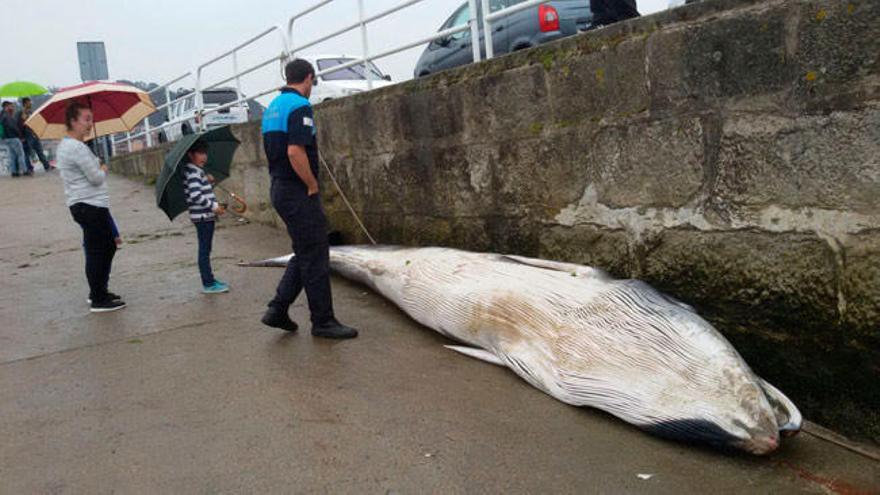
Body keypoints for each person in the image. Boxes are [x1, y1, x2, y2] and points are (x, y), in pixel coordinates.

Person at [259, 58, 358, 339]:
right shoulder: (299, 105)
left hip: (279, 187)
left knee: (306, 251)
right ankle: (323, 321)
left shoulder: (272, 108)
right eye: (313, 83)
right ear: (309, 77)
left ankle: (277, 309)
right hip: (297, 190)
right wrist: (311, 184)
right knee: (316, 255)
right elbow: (294, 151)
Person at [57, 101, 125, 313]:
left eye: (91, 119)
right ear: (73, 121)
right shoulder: (75, 148)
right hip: (89, 205)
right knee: (99, 250)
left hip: (86, 205)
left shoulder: (68, 146)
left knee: (104, 247)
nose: (90, 124)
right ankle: (98, 297)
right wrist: (102, 167)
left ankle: (99, 290)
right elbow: (96, 178)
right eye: (86, 119)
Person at [182, 140, 230, 294]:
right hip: (203, 217)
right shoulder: (194, 172)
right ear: (191, 155)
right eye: (200, 153)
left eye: (205, 153)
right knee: (204, 250)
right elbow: (196, 195)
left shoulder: (196, 171)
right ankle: (208, 283)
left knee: (206, 249)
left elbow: (201, 190)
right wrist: (214, 206)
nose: (204, 157)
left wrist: (208, 181)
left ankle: (209, 279)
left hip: (204, 216)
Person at [18, 97, 53, 171]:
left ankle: (47, 166)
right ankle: (29, 168)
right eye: (29, 102)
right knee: (27, 153)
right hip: (27, 135)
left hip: (34, 134)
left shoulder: (31, 112)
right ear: (25, 104)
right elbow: (22, 123)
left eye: (30, 102)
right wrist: (21, 136)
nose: (31, 103)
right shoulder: (21, 112)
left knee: (40, 151)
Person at [1, 101, 29, 176]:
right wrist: (19, 135)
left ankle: (14, 172)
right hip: (13, 137)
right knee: (20, 154)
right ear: (6, 106)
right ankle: (24, 170)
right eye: (11, 106)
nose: (13, 107)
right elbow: (12, 127)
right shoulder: (7, 116)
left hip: (6, 138)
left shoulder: (2, 115)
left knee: (12, 155)